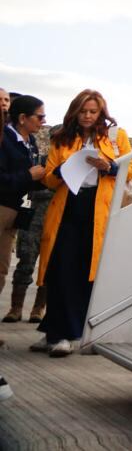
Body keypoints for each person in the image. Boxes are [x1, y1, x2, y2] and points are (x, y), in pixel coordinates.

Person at [34, 89, 132, 357]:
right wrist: (62, 169)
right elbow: (48, 178)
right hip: (68, 206)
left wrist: (110, 167)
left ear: (101, 113)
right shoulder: (61, 138)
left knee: (83, 271)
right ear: (74, 112)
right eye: (83, 111)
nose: (88, 116)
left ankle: (64, 334)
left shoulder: (116, 136)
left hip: (97, 208)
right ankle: (56, 332)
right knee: (59, 268)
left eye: (93, 112)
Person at [1, 95, 48, 331]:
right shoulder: (5, 139)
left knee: (1, 270)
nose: (43, 121)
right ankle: (15, 308)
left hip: (14, 214)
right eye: (39, 116)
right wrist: (29, 176)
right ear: (22, 118)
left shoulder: (30, 143)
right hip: (2, 208)